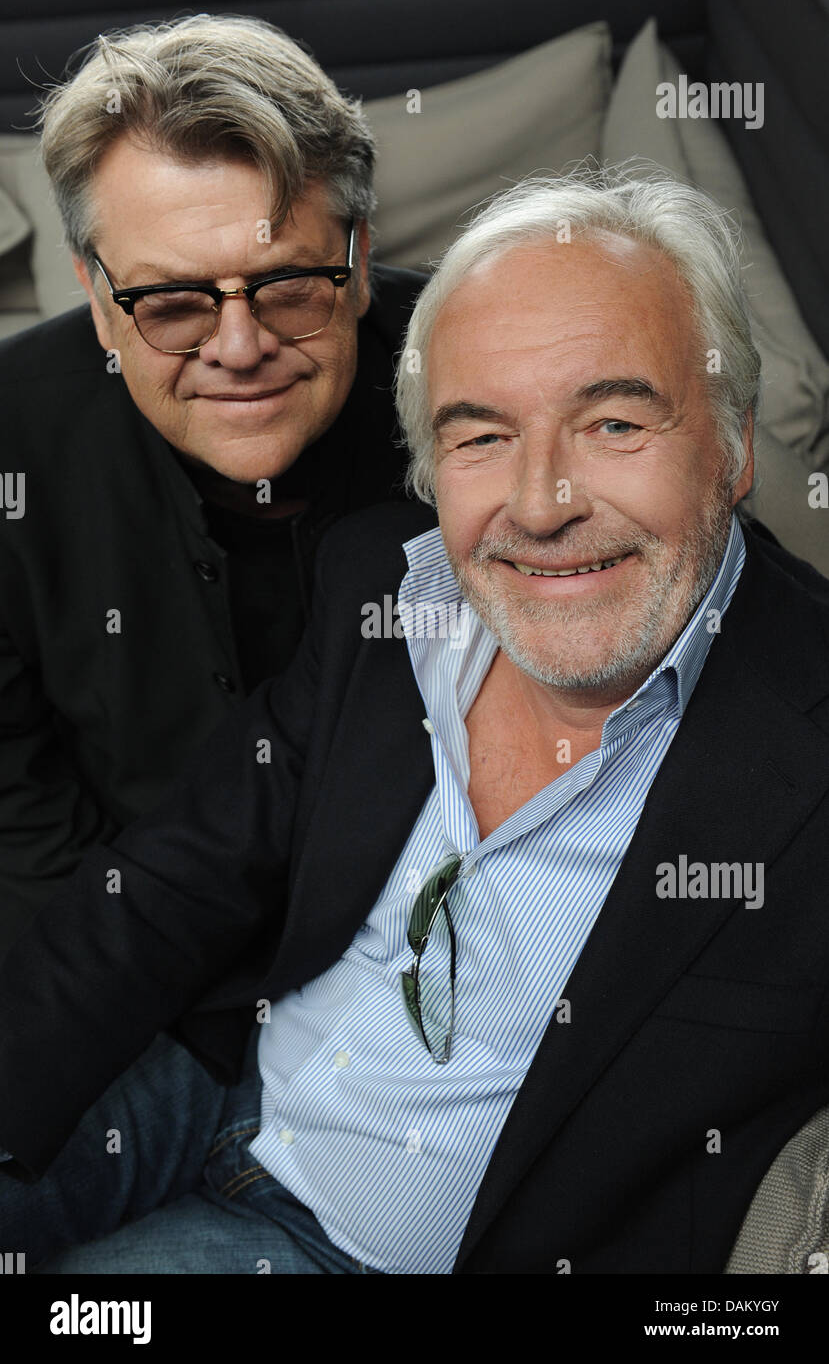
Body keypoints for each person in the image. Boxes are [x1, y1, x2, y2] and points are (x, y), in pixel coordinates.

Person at [1, 170, 828, 1276]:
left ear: (730, 448)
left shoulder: (802, 736)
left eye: (614, 421)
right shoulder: (383, 588)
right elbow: (169, 882)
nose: (539, 506)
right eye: (480, 437)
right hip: (212, 1076)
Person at [0, 13, 424, 957]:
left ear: (355, 262)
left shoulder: (489, 379)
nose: (240, 349)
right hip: (129, 979)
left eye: (287, 287)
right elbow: (23, 844)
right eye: (173, 301)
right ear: (98, 301)